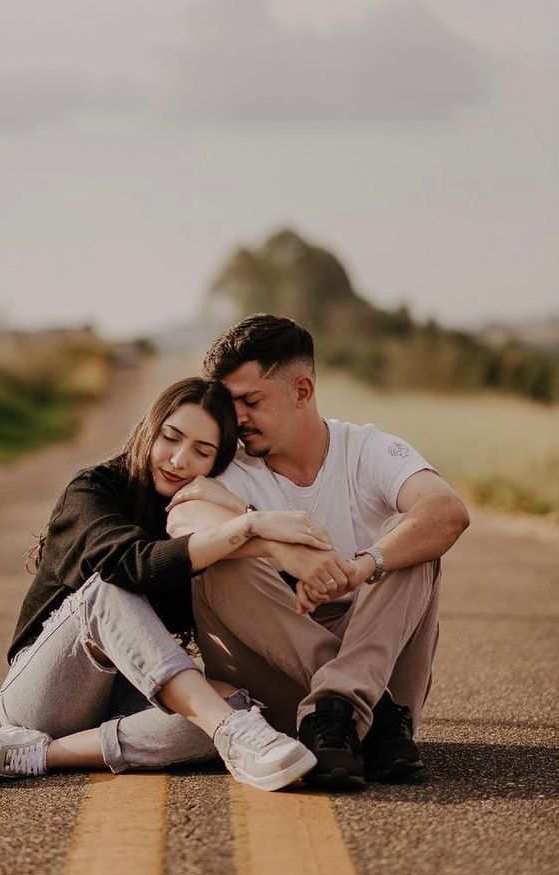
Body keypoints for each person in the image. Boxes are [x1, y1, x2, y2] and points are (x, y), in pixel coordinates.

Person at [0, 377, 331, 791]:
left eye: (202, 452)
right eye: (171, 438)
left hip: (132, 695)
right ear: (149, 429)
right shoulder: (93, 489)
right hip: (45, 694)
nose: (178, 460)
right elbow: (131, 565)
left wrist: (234, 508)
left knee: (235, 699)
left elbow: (275, 591)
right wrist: (249, 524)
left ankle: (34, 754)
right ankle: (231, 733)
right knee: (108, 588)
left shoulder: (197, 512)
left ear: (216, 465)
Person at [167, 315, 470, 790]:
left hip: (376, 665)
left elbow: (447, 511)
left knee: (414, 549)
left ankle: (340, 709)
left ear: (302, 391)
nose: (238, 418)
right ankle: (352, 710)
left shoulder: (365, 448)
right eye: (231, 404)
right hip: (288, 691)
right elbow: (182, 522)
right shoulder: (229, 465)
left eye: (251, 401)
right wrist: (268, 539)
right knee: (219, 559)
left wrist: (359, 567)